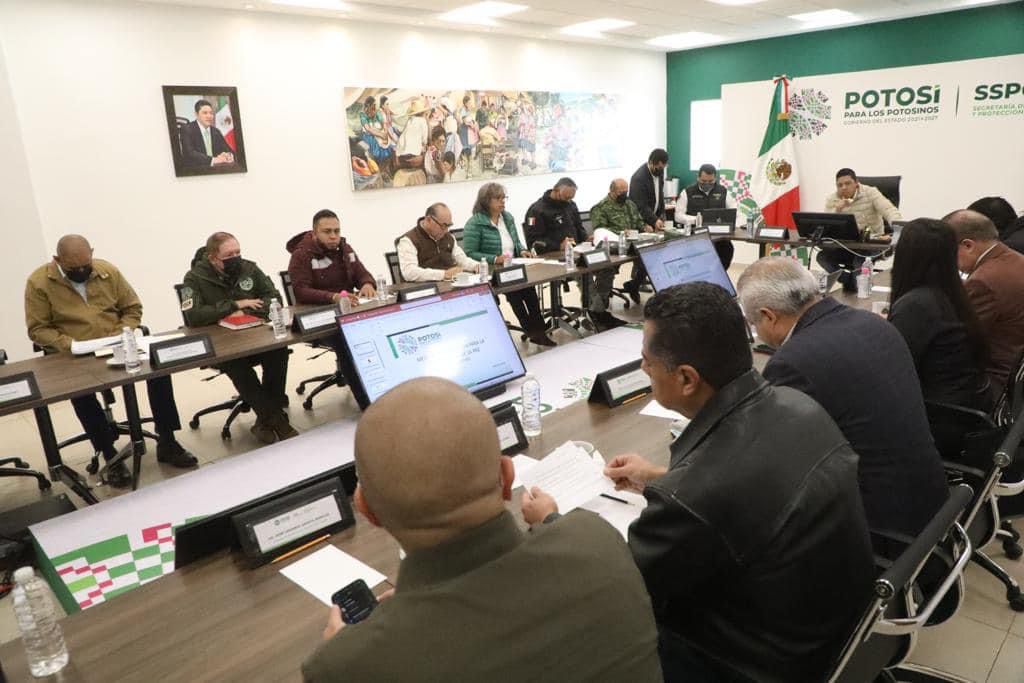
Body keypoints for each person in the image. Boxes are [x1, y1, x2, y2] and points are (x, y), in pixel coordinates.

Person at [521, 283, 873, 682]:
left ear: (687, 379)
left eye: (647, 362)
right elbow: (752, 487)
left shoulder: (695, 496)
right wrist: (660, 477)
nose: (643, 370)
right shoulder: (800, 407)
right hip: (833, 637)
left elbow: (617, 584)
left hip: (756, 664)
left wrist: (551, 524)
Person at [302, 378, 662, 682]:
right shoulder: (596, 538)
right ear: (507, 476)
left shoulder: (348, 666)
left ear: (367, 510)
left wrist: (347, 655)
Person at [736, 257, 948, 536]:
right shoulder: (872, 322)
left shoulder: (793, 362)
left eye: (753, 324)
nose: (757, 332)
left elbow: (771, 463)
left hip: (879, 524)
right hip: (931, 500)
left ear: (769, 316)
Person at [25, 235, 196, 487]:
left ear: (92, 254)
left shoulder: (107, 271)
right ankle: (110, 454)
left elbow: (132, 308)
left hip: (116, 343)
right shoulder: (39, 282)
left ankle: (167, 440)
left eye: (86, 265)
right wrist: (69, 344)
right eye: (73, 268)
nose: (81, 271)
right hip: (73, 352)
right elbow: (38, 329)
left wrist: (122, 332)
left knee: (159, 370)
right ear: (57, 260)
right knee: (82, 394)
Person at [182, 232, 298, 445]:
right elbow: (193, 315)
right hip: (222, 344)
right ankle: (277, 420)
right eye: (229, 255)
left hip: (255, 335)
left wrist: (246, 313)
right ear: (213, 258)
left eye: (238, 252)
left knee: (278, 351)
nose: (236, 257)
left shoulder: (249, 268)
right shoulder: (194, 278)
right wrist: (234, 305)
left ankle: (264, 420)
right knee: (236, 363)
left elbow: (274, 298)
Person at [888, 218, 992, 413]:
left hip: (940, 413)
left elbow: (893, 367)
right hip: (965, 405)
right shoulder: (952, 293)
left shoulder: (916, 305)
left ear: (904, 255)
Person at [462, 183, 556, 346]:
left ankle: (539, 329)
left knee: (530, 292)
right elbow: (470, 253)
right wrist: (494, 259)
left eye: (504, 198)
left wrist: (523, 250)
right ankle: (532, 331)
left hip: (514, 264)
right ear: (486, 201)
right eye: (498, 198)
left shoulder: (507, 217)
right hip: (493, 270)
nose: (503, 201)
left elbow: (516, 242)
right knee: (515, 294)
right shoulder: (474, 223)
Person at [945, 209, 1024, 398]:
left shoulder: (982, 281)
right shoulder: (1016, 259)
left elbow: (961, 341)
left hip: (996, 382)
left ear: (968, 245)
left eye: (948, 252)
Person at [525, 178, 621, 329]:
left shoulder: (570, 205)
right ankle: (598, 313)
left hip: (577, 251)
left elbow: (578, 227)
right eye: (566, 197)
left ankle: (596, 308)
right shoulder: (537, 210)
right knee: (584, 273)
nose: (568, 201)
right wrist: (558, 245)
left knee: (607, 268)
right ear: (556, 191)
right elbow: (533, 241)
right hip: (554, 258)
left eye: (571, 198)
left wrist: (586, 238)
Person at [818, 168, 902, 278]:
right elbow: (826, 224)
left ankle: (855, 284)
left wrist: (898, 227)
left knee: (859, 262)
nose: (844, 187)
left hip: (870, 244)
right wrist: (837, 210)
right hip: (847, 245)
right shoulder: (832, 199)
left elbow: (889, 210)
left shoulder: (870, 192)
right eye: (840, 185)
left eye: (848, 183)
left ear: (856, 183)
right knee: (822, 257)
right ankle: (847, 281)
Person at [287, 209, 375, 306]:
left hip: (349, 306)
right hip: (317, 310)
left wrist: (367, 284)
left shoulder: (346, 249)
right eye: (327, 232)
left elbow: (362, 274)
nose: (333, 236)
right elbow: (301, 292)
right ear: (314, 234)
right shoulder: (301, 254)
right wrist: (333, 297)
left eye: (337, 231)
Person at [590, 178, 648, 306]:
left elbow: (638, 221)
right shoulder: (600, 208)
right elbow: (600, 230)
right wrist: (621, 232)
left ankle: (634, 285)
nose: (624, 195)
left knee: (648, 260)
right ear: (612, 191)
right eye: (621, 192)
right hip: (613, 247)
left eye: (626, 191)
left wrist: (645, 227)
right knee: (607, 268)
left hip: (633, 243)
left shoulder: (629, 204)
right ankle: (602, 300)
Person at [396, 202, 480, 284]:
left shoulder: (448, 237)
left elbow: (462, 259)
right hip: (426, 288)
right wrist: (444, 274)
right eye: (443, 226)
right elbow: (409, 272)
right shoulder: (408, 241)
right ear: (428, 220)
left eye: (449, 226)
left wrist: (477, 266)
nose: (446, 230)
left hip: (450, 285)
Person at [679, 163, 735, 270]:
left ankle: (718, 274)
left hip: (718, 237)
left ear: (715, 179)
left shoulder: (723, 192)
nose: (707, 184)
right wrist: (695, 219)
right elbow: (678, 215)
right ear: (698, 177)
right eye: (704, 181)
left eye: (711, 181)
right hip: (695, 237)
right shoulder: (687, 192)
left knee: (727, 249)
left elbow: (734, 211)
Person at [179, 99, 234, 169]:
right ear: (196, 114)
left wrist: (228, 155)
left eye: (211, 113)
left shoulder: (216, 131)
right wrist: (213, 160)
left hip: (216, 170)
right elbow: (189, 153)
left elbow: (228, 150)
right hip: (196, 170)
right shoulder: (187, 129)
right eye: (205, 113)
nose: (209, 116)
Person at [392, 98, 430, 187]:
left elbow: (402, 140)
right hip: (414, 155)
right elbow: (425, 140)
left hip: (402, 156)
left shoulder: (409, 121)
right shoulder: (423, 121)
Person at [628, 148, 668, 231]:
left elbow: (660, 194)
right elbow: (641, 206)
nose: (660, 170)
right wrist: (654, 220)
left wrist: (662, 213)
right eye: (658, 168)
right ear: (650, 162)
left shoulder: (660, 172)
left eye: (662, 167)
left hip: (654, 218)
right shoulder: (638, 179)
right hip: (641, 222)